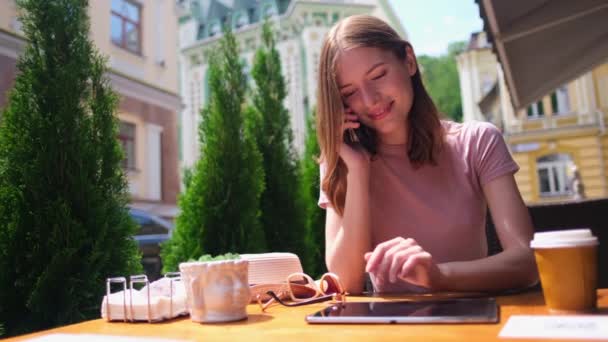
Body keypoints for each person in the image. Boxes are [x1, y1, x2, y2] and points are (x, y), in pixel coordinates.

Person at [316, 15, 538, 294]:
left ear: (409, 60)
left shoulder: (478, 142)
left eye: (378, 76)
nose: (370, 100)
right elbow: (344, 282)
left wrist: (439, 277)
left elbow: (528, 263)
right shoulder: (344, 160)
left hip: (471, 326)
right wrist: (359, 171)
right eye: (349, 92)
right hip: (389, 332)